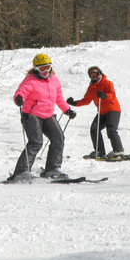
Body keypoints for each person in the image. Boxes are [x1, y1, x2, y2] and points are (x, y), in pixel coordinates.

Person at [9, 53, 77, 181]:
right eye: (42, 69)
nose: (45, 71)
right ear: (36, 69)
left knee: (58, 138)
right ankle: (21, 171)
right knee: (36, 142)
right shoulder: (30, 80)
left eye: (47, 67)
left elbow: (59, 98)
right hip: (31, 115)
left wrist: (67, 110)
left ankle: (52, 169)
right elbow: (20, 92)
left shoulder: (54, 80)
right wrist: (19, 99)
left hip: (48, 115)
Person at [67, 66, 125, 159]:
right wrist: (74, 103)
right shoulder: (92, 87)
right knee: (94, 129)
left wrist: (104, 95)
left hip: (113, 110)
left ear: (100, 74)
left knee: (111, 129)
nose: (94, 77)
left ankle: (118, 150)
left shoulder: (107, 83)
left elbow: (112, 95)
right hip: (102, 112)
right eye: (91, 75)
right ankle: (100, 151)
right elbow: (86, 100)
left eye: (96, 75)